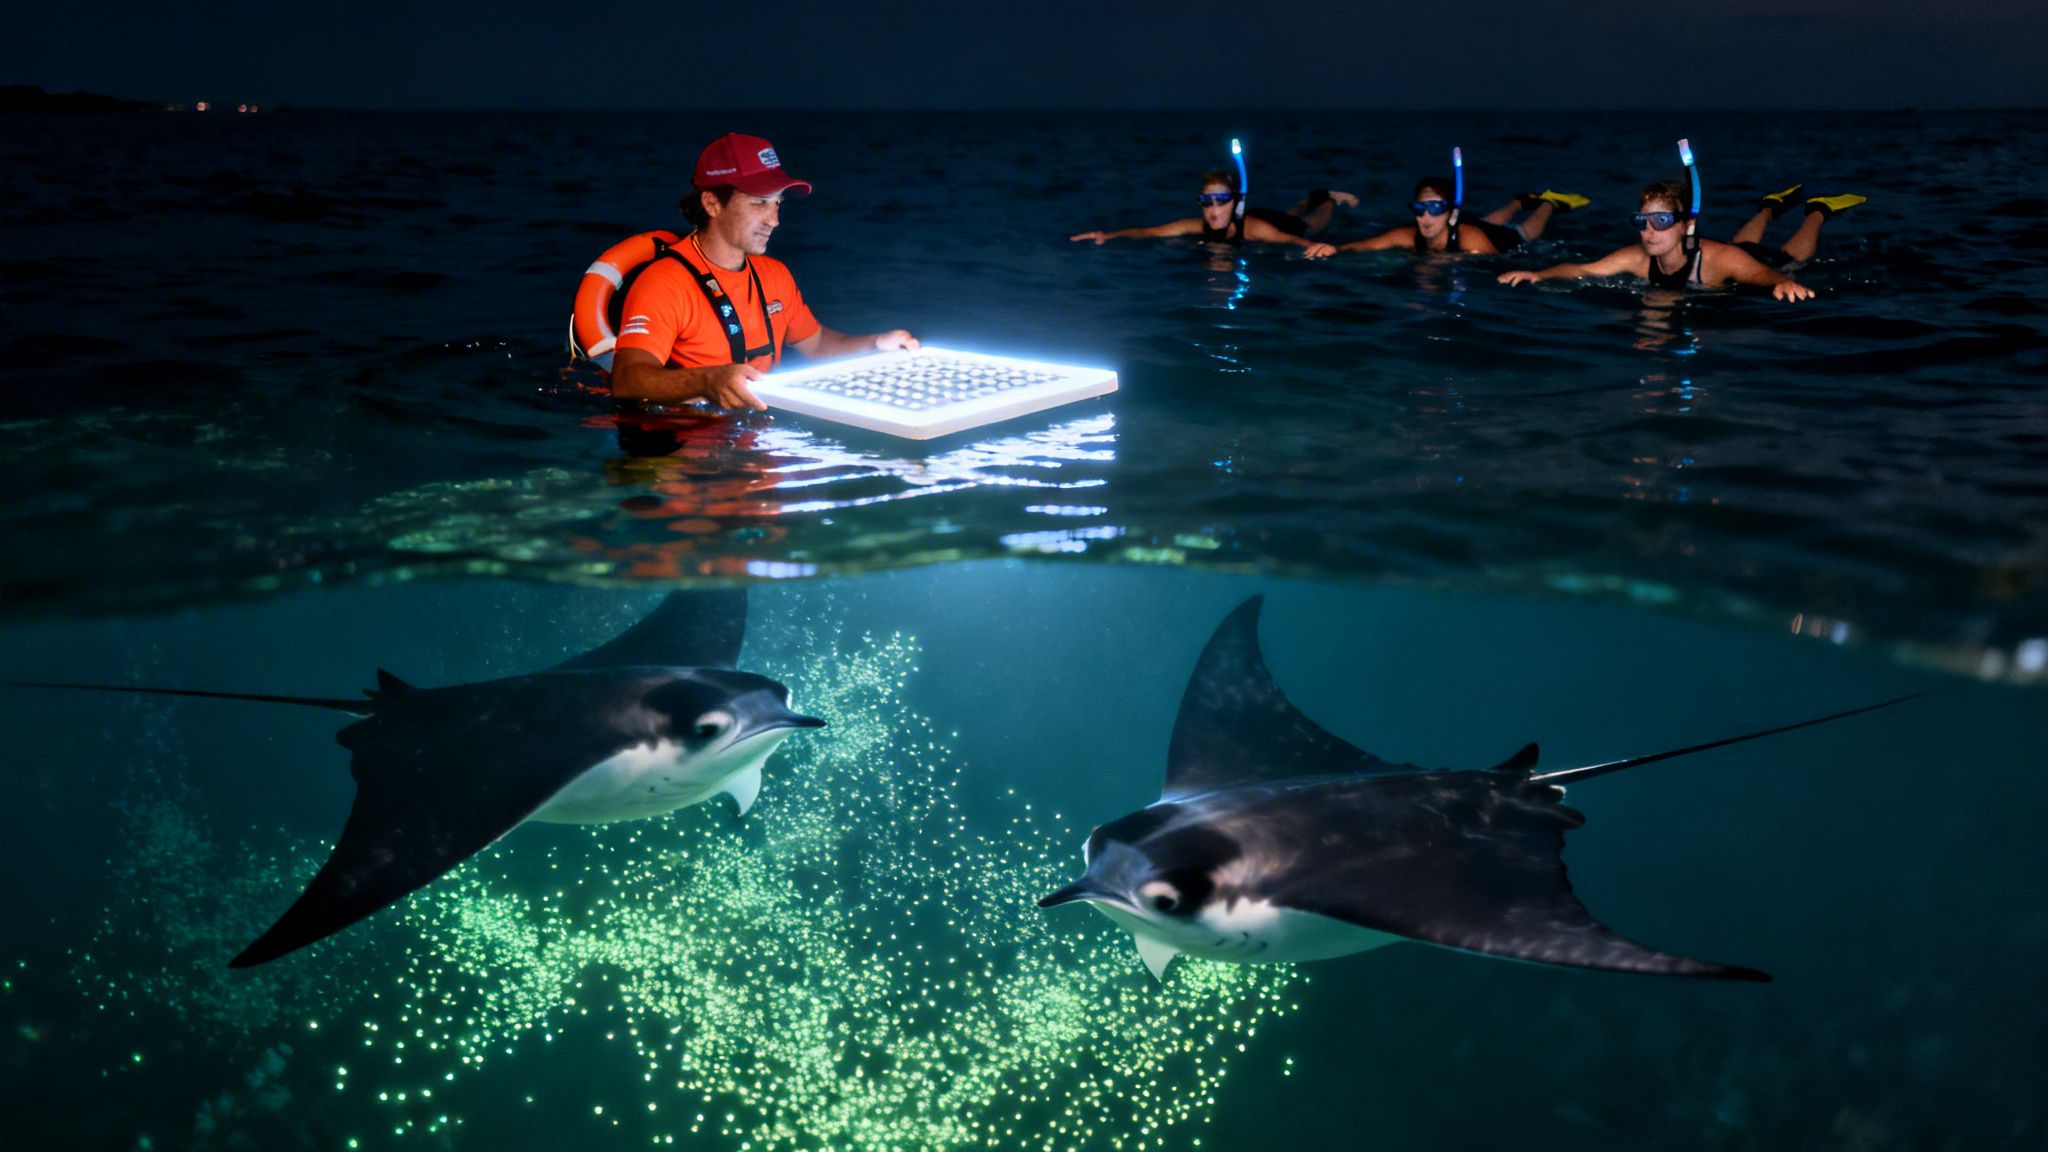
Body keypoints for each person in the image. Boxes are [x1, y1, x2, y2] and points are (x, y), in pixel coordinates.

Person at [610, 133, 919, 410]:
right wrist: (706, 381)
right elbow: (627, 380)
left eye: (777, 203)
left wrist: (877, 343)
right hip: (685, 439)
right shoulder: (665, 282)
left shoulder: (775, 275)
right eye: (759, 203)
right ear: (712, 203)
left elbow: (817, 345)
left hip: (755, 430)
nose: (774, 220)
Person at [1498, 180, 1865, 302]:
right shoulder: (1638, 256)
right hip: (1735, 252)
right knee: (1742, 247)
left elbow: (1759, 275)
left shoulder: (1718, 260)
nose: (1648, 231)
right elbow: (1584, 270)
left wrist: (1783, 282)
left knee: (1790, 258)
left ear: (1686, 225)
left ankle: (1818, 211)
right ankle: (1770, 206)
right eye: (1642, 221)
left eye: (1661, 221)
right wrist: (1539, 275)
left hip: (1748, 260)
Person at [1069, 170, 1357, 250]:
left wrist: (1315, 247)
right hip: (1265, 219)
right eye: (1207, 201)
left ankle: (1329, 198)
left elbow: (1293, 240)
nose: (1213, 209)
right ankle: (1308, 200)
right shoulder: (1196, 225)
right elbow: (1149, 232)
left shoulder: (1255, 229)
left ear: (1233, 203)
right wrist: (1109, 236)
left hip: (1272, 224)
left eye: (1220, 200)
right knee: (1292, 214)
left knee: (1310, 224)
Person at [1305, 178, 1588, 258]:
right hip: (1464, 226)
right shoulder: (1409, 234)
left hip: (1496, 239)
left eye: (1435, 208)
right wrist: (1335, 249)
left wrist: (1452, 260)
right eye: (1420, 208)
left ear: (1450, 212)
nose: (1426, 216)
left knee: (1522, 233)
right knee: (1487, 220)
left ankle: (1547, 202)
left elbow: (1495, 262)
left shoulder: (1471, 238)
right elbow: (1365, 245)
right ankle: (1518, 201)